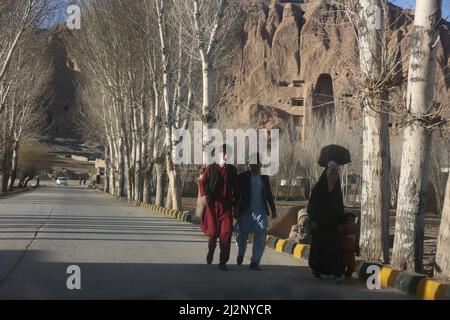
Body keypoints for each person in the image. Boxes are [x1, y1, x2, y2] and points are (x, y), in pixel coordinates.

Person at [199, 144, 239, 271]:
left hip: (226, 208)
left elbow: (236, 189)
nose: (226, 156)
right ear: (219, 155)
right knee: (213, 233)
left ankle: (223, 262)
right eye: (223, 154)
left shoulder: (232, 170)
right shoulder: (211, 168)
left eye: (228, 154)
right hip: (212, 207)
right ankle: (211, 250)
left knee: (226, 235)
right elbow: (202, 182)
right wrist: (203, 195)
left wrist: (237, 204)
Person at [235, 153, 277, 271]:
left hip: (260, 212)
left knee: (260, 237)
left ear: (260, 164)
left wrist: (273, 209)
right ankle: (241, 253)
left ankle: (255, 261)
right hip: (245, 212)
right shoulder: (242, 177)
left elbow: (268, 194)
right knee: (241, 236)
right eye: (250, 163)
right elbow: (237, 194)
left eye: (255, 163)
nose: (252, 165)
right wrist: (236, 207)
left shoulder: (264, 177)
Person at [307, 161, 345, 283]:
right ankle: (316, 270)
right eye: (332, 173)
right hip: (319, 224)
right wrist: (313, 220)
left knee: (335, 249)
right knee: (319, 248)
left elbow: (340, 208)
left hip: (333, 225)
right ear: (326, 174)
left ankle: (337, 273)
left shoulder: (337, 190)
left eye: (336, 174)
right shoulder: (318, 188)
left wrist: (341, 223)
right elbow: (311, 206)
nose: (334, 176)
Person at [341, 212, 360, 280]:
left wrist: (357, 250)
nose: (352, 223)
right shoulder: (343, 228)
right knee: (343, 263)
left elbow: (356, 241)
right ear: (346, 221)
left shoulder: (355, 230)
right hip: (344, 251)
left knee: (351, 265)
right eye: (350, 221)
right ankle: (340, 274)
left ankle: (348, 275)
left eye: (353, 221)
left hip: (352, 251)